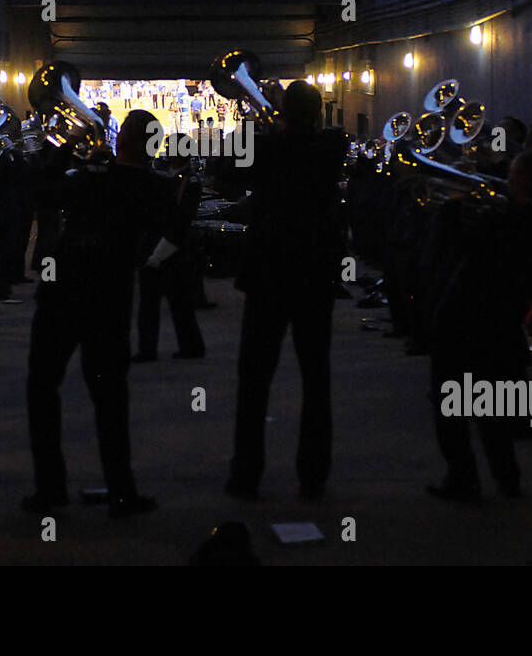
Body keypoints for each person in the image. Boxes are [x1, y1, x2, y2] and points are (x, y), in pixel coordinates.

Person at [24, 109, 171, 518]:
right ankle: (122, 491)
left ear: (121, 139)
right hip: (110, 299)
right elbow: (167, 224)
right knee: (110, 398)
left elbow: (42, 192)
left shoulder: (89, 176)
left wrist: (68, 147)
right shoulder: (151, 186)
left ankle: (50, 488)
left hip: (62, 293)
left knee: (42, 386)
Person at [219, 82, 347, 501]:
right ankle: (314, 476)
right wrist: (279, 119)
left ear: (283, 113)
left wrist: (257, 122)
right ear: (318, 113)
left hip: (268, 274)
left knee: (254, 378)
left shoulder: (267, 147)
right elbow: (319, 142)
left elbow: (225, 170)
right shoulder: (331, 147)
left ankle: (245, 475)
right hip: (314, 273)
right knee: (316, 377)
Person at [424, 151, 532, 501]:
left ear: (522, 180)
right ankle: (506, 476)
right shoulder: (529, 216)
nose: (507, 179)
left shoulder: (508, 217)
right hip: (498, 321)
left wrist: (452, 206)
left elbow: (461, 245)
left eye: (513, 173)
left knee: (448, 398)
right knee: (490, 403)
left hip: (468, 314)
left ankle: (462, 477)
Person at [134, 151, 206, 361]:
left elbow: (182, 218)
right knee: (166, 303)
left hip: (171, 246)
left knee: (174, 303)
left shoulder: (187, 181)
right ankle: (162, 347)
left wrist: (158, 253)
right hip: (165, 243)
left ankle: (181, 346)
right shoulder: (171, 176)